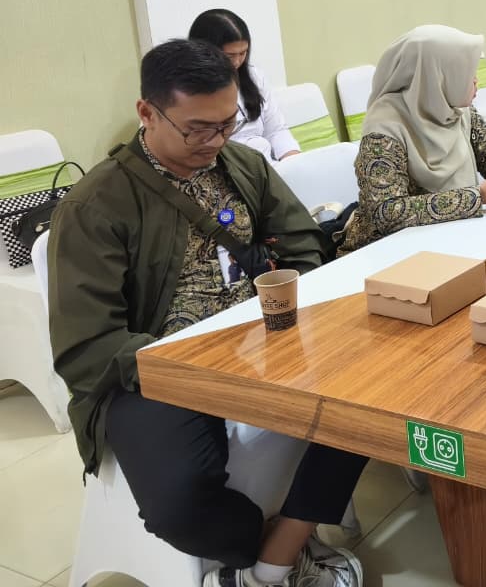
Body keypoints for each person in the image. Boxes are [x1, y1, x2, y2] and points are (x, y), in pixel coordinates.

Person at [48, 40, 366, 587]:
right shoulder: (96, 205)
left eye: (227, 123)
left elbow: (305, 245)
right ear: (147, 112)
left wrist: (290, 300)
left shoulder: (239, 164)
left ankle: (279, 556)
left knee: (375, 390)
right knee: (178, 504)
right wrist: (187, 358)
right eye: (197, 128)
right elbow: (86, 346)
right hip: (155, 369)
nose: (215, 141)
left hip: (264, 334)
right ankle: (255, 548)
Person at [337, 26, 486, 255]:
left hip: (456, 238)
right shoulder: (383, 130)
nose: (476, 83)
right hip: (389, 253)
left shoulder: (458, 111)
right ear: (436, 77)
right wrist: (479, 196)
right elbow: (387, 212)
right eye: (465, 74)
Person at [189, 9, 300, 163]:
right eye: (229, 56)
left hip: (268, 167)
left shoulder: (254, 77)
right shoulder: (187, 92)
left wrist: (295, 162)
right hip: (231, 171)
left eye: (243, 53)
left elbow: (276, 130)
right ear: (204, 52)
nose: (236, 62)